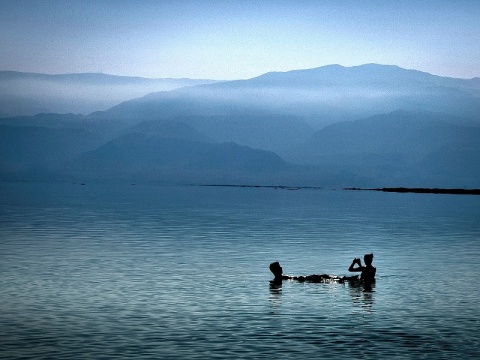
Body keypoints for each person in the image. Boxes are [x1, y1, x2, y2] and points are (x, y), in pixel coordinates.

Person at [269, 261, 342, 284]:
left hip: (303, 278)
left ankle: (338, 279)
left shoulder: (281, 277)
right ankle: (338, 280)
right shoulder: (280, 278)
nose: (281, 267)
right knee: (321, 278)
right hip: (303, 279)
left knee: (323, 276)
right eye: (279, 267)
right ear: (275, 270)